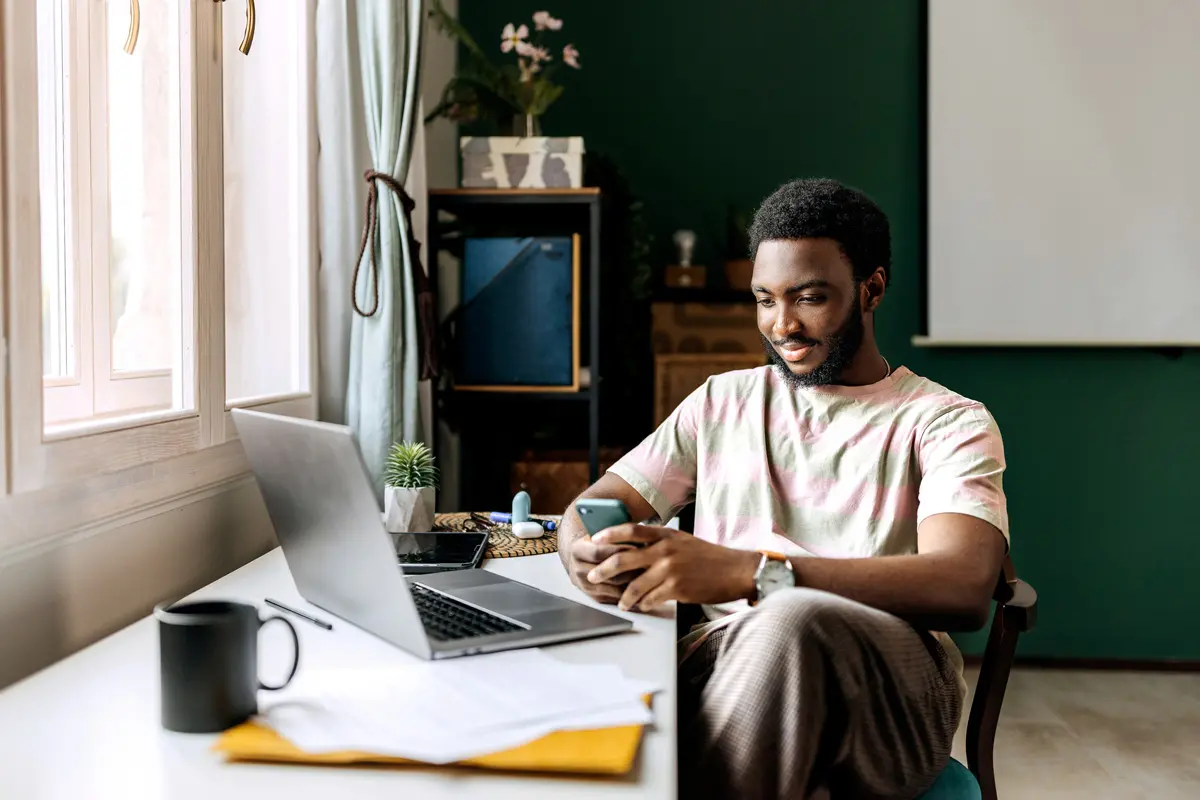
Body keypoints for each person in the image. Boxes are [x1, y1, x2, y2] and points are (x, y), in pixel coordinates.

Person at [556, 178, 1008, 799]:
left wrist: (754, 574)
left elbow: (963, 587)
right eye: (765, 300)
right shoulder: (722, 401)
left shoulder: (946, 421)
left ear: (872, 288)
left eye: (810, 298)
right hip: (720, 668)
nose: (782, 325)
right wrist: (579, 548)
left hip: (889, 694)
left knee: (789, 621)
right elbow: (593, 507)